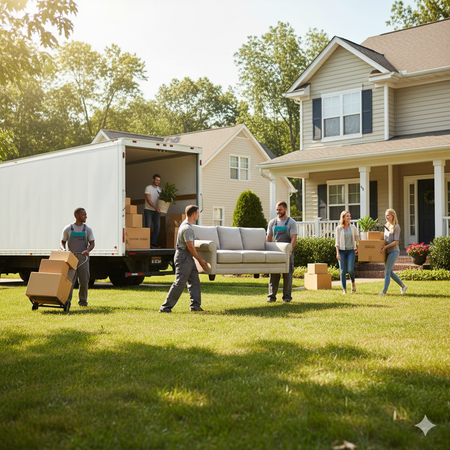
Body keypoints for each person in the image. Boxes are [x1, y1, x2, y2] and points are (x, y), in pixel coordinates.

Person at [159, 205, 208, 313]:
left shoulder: (187, 225)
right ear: (194, 214)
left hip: (187, 257)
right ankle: (165, 307)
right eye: (198, 213)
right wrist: (200, 260)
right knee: (179, 283)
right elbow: (190, 247)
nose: (199, 215)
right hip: (183, 257)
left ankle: (196, 306)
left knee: (194, 281)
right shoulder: (187, 228)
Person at [60, 208, 95, 306]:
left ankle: (83, 301)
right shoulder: (68, 228)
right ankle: (67, 301)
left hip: (83, 259)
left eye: (86, 215)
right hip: (71, 258)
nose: (86, 217)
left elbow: (92, 243)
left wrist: (87, 250)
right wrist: (64, 250)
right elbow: (62, 242)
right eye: (83, 215)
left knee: (84, 280)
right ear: (76, 215)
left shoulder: (87, 229)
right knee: (70, 281)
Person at [267, 201, 298, 303]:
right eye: (277, 209)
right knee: (274, 274)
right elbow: (269, 237)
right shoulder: (272, 222)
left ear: (285, 209)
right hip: (275, 251)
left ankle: (287, 298)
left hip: (287, 250)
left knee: (287, 274)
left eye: (280, 209)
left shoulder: (291, 222)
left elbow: (293, 239)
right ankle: (271, 297)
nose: (278, 212)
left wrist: (290, 251)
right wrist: (267, 250)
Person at [378, 209, 408, 296]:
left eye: (388, 215)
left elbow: (396, 241)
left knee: (387, 272)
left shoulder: (396, 227)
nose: (386, 217)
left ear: (393, 216)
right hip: (386, 252)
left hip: (394, 252)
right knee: (390, 272)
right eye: (386, 215)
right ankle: (403, 286)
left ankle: (384, 292)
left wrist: (385, 247)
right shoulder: (386, 226)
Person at [335, 210, 359, 294]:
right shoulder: (339, 228)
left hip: (351, 251)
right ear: (343, 218)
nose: (349, 217)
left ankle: (353, 283)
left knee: (350, 270)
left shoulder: (353, 227)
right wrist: (337, 252)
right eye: (347, 216)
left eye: (350, 216)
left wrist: (360, 247)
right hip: (341, 251)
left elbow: (357, 238)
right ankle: (344, 290)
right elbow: (337, 242)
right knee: (342, 271)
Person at [144, 174, 162, 248]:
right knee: (148, 226)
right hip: (148, 210)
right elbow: (148, 200)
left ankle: (154, 243)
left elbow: (162, 200)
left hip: (156, 211)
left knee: (157, 227)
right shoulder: (148, 188)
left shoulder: (160, 189)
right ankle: (146, 243)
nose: (158, 181)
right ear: (153, 180)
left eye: (159, 180)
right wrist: (155, 208)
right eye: (157, 180)